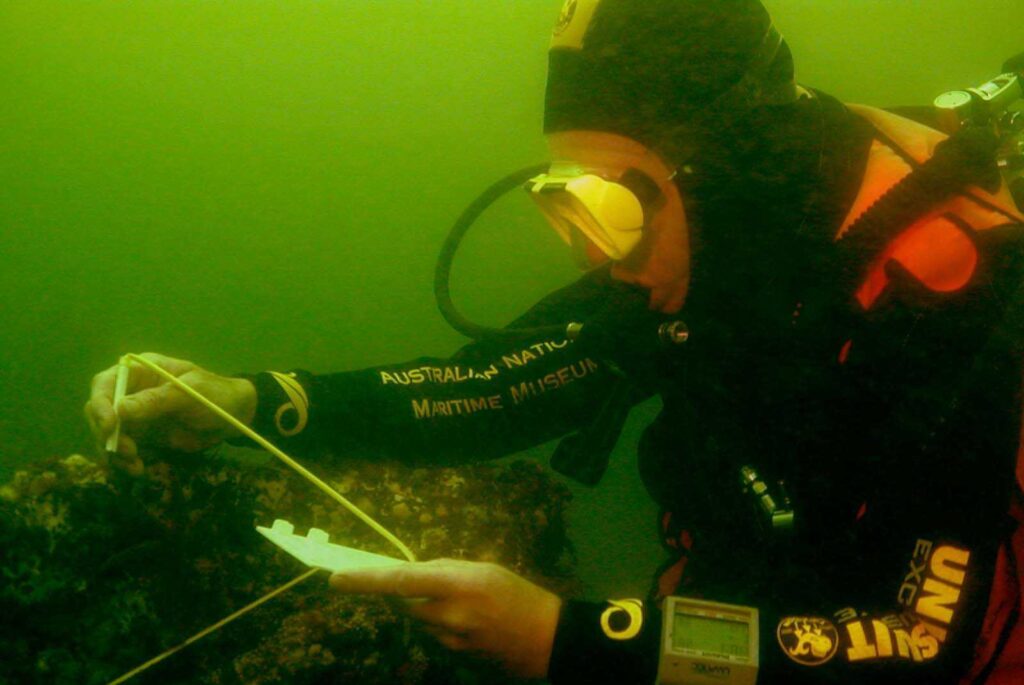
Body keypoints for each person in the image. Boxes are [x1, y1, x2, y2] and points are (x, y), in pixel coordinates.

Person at [85, 1, 1024, 683]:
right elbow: (502, 382)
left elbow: (924, 641)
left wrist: (572, 644)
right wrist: (252, 404)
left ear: (718, 165)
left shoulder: (958, 300)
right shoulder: (725, 226)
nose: (600, 260)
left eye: (609, 206)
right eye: (567, 203)